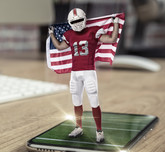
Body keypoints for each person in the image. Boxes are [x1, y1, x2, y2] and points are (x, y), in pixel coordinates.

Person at [48, 8, 120, 143]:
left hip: (89, 72)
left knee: (94, 101)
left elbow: (112, 39)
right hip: (75, 73)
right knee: (76, 101)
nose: (78, 23)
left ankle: (99, 130)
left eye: (80, 20)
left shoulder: (93, 31)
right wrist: (52, 34)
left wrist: (115, 23)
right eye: (74, 21)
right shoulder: (69, 34)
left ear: (85, 18)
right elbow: (59, 47)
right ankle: (78, 127)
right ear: (69, 22)